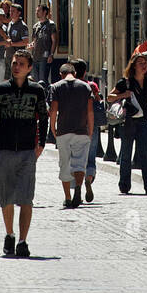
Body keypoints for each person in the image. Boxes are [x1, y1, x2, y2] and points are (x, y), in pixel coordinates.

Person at [0, 48, 48, 258]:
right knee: (6, 196)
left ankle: (23, 240)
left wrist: (41, 144)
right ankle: (9, 234)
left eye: (21, 63)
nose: (17, 66)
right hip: (4, 150)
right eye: (14, 63)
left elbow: (44, 116)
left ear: (30, 67)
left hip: (27, 151)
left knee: (26, 197)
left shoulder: (37, 91)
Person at [108, 52, 147, 195]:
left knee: (144, 154)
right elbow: (110, 98)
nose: (144, 65)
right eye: (140, 63)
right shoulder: (125, 82)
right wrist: (123, 95)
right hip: (127, 122)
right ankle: (124, 185)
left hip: (143, 122)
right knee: (126, 154)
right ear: (134, 66)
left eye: (145, 63)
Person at [49, 62, 94, 208]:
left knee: (65, 164)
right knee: (80, 163)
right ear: (74, 73)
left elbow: (54, 110)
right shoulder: (85, 87)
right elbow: (90, 112)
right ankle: (79, 187)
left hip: (63, 130)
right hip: (81, 130)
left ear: (61, 74)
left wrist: (52, 127)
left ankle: (68, 197)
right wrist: (91, 130)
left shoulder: (56, 87)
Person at [73, 59, 102, 201]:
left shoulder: (69, 86)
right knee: (90, 158)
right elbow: (98, 102)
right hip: (91, 125)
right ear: (85, 71)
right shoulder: (91, 86)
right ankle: (88, 180)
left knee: (75, 157)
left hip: (74, 125)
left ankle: (77, 185)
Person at [31, 3, 58, 90]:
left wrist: (51, 54)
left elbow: (54, 41)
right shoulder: (36, 26)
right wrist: (31, 45)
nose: (36, 12)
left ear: (45, 12)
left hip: (45, 56)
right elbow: (34, 41)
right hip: (35, 56)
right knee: (35, 79)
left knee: (43, 80)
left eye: (38, 10)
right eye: (36, 11)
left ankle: (45, 97)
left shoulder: (51, 25)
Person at [4, 3, 30, 78]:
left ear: (19, 13)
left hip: (17, 58)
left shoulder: (22, 26)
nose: (10, 13)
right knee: (7, 78)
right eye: (10, 11)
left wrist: (12, 44)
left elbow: (25, 42)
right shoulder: (10, 24)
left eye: (13, 11)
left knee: (16, 78)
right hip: (8, 55)